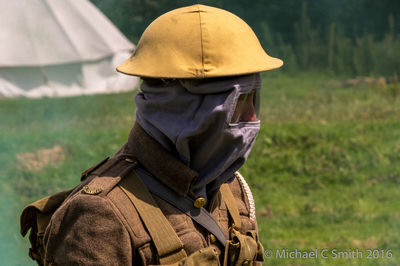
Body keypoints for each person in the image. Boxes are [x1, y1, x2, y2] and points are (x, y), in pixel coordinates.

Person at [40, 4, 283, 265]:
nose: (252, 118)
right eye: (240, 101)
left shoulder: (232, 189)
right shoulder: (100, 214)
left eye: (253, 100)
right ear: (179, 106)